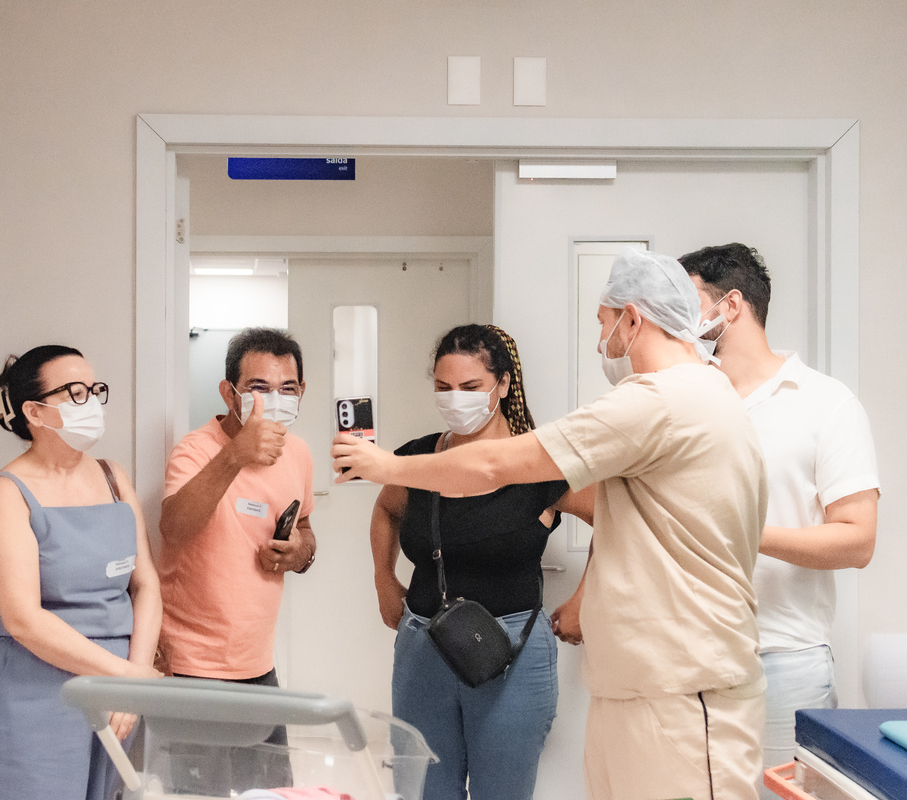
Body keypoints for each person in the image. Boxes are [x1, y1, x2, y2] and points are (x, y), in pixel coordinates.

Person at [333, 249, 768, 800]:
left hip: (680, 686)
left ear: (633, 319)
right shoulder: (698, 399)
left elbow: (494, 467)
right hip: (649, 683)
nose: (600, 341)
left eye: (604, 323)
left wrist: (387, 466)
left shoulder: (663, 402)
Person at [680, 243, 880, 783]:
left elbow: (858, 540)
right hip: (683, 658)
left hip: (781, 662)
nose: (673, 314)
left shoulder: (825, 403)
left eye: (685, 299)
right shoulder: (687, 401)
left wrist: (746, 533)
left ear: (731, 305)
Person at [371, 324, 595, 800]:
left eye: (470, 388)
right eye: (443, 388)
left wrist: (584, 598)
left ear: (503, 385)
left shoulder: (542, 464)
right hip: (422, 643)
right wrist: (383, 579)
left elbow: (616, 525)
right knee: (423, 789)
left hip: (512, 650)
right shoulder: (416, 459)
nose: (456, 400)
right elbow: (387, 510)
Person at [0, 345, 162, 800]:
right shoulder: (7, 493)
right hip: (37, 695)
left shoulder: (113, 477)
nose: (92, 403)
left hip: (120, 698)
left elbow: (146, 583)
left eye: (95, 390)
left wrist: (133, 678)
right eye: (76, 393)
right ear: (34, 411)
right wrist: (125, 676)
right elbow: (23, 618)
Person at [157, 327, 316, 790]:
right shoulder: (195, 449)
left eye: (288, 389)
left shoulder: (298, 452)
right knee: (197, 795)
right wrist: (234, 456)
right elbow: (174, 528)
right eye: (258, 388)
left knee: (269, 792)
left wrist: (298, 553)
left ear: (301, 392)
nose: (275, 400)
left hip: (257, 664)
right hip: (191, 666)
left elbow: (305, 528)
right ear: (230, 393)